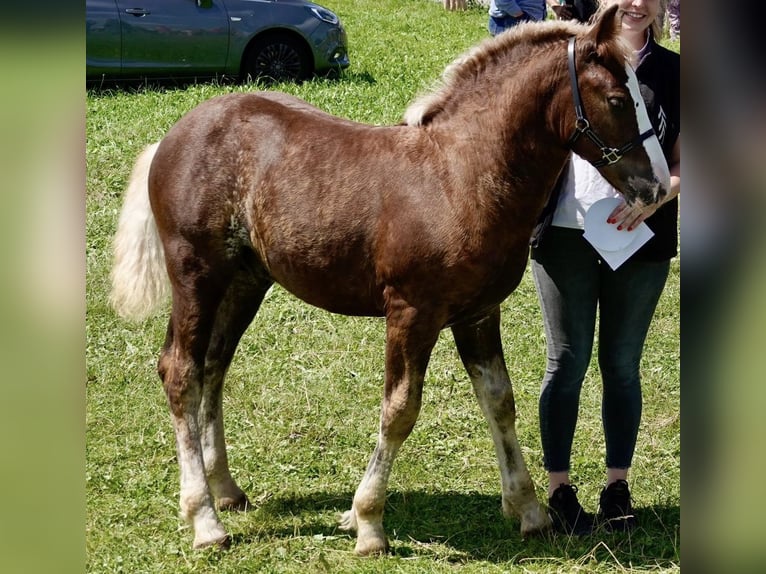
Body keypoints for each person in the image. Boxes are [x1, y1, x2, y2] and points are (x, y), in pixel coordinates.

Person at [530, 0, 680, 535]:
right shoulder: (569, 61)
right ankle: (559, 489)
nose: (636, 4)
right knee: (566, 362)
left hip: (641, 238)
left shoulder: (677, 73)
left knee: (622, 365)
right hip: (566, 234)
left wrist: (660, 196)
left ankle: (618, 485)